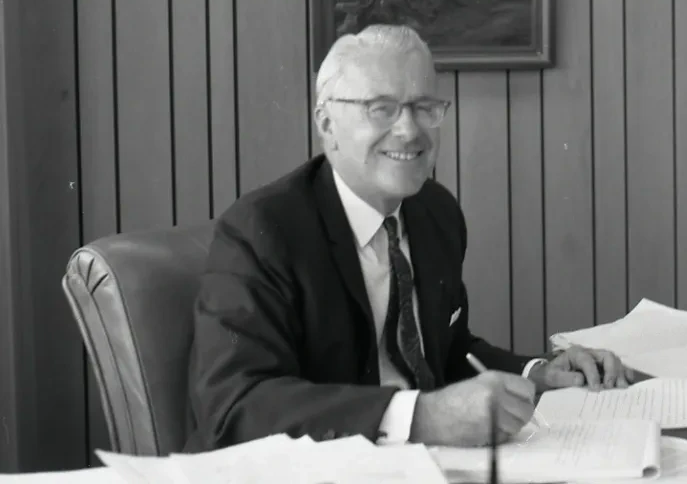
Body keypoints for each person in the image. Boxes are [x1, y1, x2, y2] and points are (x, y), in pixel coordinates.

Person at [184, 24, 631, 452]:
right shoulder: (262, 232)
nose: (409, 130)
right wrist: (421, 417)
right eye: (381, 108)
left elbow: (444, 350)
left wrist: (537, 373)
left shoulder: (434, 212)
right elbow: (234, 406)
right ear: (326, 124)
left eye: (424, 107)